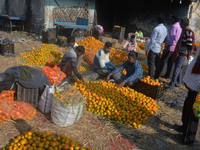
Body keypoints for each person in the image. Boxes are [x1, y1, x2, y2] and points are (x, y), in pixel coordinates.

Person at [174, 47, 200, 145]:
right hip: (192, 86)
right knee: (187, 109)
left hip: (197, 88)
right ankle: (184, 128)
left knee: (192, 115)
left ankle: (188, 139)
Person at [168, 18, 195, 90]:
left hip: (183, 54)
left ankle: (172, 85)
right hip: (181, 53)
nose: (179, 24)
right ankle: (178, 83)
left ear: (183, 24)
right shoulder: (184, 31)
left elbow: (190, 45)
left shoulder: (188, 33)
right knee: (179, 68)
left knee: (176, 69)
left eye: (180, 23)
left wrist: (189, 54)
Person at [155, 14, 182, 79]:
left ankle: (157, 75)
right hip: (175, 47)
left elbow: (172, 38)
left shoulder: (174, 26)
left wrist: (167, 48)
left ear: (173, 19)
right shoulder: (180, 26)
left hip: (171, 47)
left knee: (162, 60)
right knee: (170, 62)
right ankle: (167, 75)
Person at [146, 14, 170, 79]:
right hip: (159, 49)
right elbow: (167, 40)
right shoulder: (165, 29)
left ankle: (150, 78)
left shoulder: (156, 29)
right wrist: (165, 48)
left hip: (153, 49)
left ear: (157, 20)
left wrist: (148, 50)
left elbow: (152, 41)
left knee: (151, 65)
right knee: (157, 64)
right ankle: (156, 77)